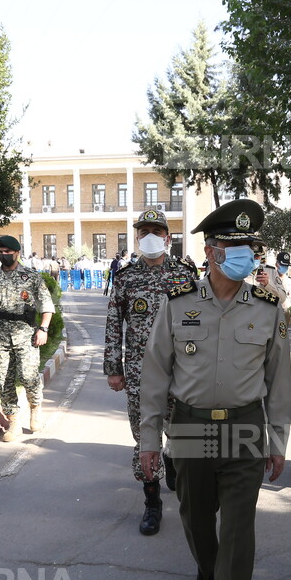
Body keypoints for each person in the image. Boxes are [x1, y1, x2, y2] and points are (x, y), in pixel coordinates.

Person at [139, 199, 291, 580]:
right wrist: (149, 441)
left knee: (240, 537)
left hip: (245, 428)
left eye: (251, 246)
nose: (246, 255)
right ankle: (206, 568)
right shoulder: (178, 303)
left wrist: (277, 440)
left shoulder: (268, 309)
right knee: (196, 519)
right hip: (191, 426)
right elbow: (156, 375)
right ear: (211, 251)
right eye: (236, 246)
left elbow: (279, 383)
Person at [104, 210, 193, 535]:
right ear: (137, 238)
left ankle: (173, 465)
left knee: (181, 433)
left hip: (181, 371)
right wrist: (114, 368)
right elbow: (114, 325)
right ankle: (152, 503)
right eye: (145, 231)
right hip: (140, 374)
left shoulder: (185, 273)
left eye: (157, 230)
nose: (151, 236)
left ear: (168, 237)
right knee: (144, 437)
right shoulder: (126, 277)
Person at [0, 235, 55, 442]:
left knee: (28, 376)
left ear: (17, 253)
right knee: (3, 380)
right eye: (1, 252)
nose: (4, 256)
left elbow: (47, 305)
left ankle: (35, 408)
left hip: (26, 333)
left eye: (7, 253)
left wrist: (43, 329)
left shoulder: (31, 277)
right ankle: (13, 422)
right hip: (0, 334)